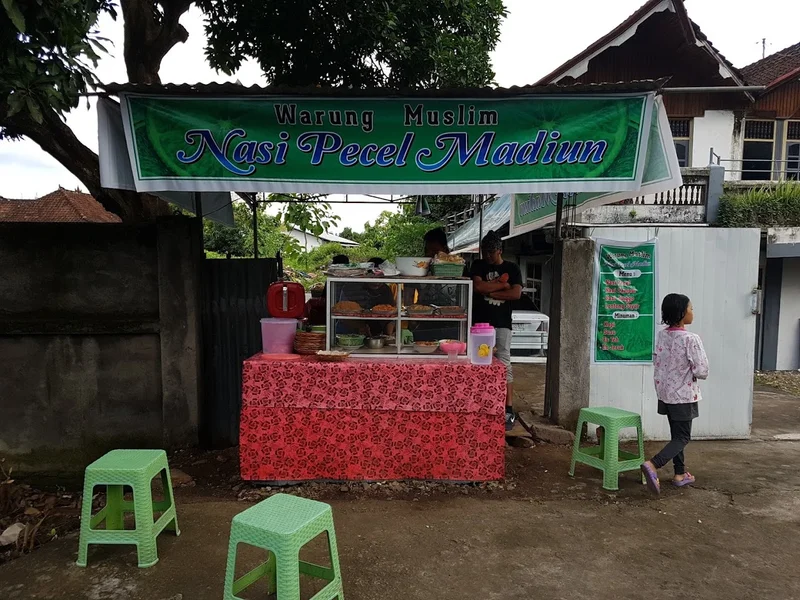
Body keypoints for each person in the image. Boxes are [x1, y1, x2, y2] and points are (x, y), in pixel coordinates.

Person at [641, 294, 709, 495]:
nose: (692, 312)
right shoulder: (690, 339)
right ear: (681, 313)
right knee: (682, 437)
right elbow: (702, 370)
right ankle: (653, 464)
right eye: (691, 308)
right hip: (683, 396)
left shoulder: (663, 336)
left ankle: (680, 474)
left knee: (676, 434)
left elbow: (658, 361)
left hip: (665, 394)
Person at [469, 230, 522, 431]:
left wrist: (492, 288)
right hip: (479, 324)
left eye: (490, 252)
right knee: (480, 361)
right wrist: (502, 285)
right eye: (484, 251)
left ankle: (508, 408)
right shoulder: (478, 265)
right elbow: (478, 288)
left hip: (502, 323)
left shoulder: (512, 267)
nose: (487, 256)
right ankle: (482, 401)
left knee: (504, 362)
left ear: (499, 250)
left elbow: (516, 294)